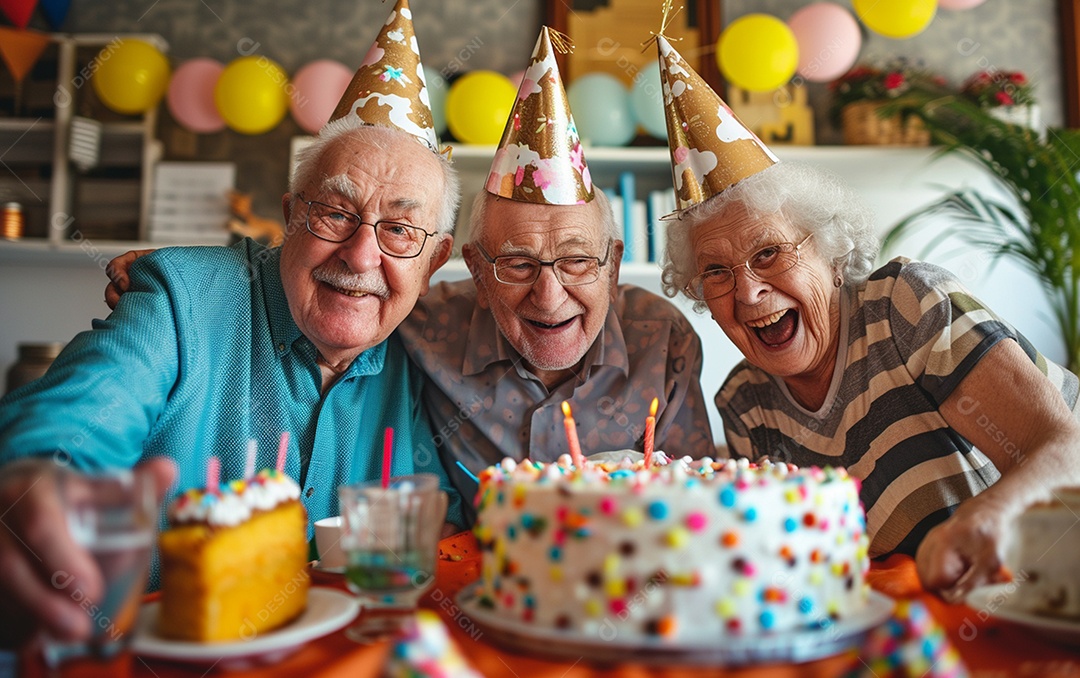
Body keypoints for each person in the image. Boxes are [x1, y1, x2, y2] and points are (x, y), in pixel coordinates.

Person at [107, 27, 716, 524]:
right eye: (516, 263)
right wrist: (181, 280)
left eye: (579, 260)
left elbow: (704, 511)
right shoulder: (417, 325)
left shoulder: (664, 342)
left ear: (612, 264)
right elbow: (70, 429)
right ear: (474, 269)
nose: (549, 293)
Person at [0, 1, 464, 648]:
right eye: (334, 213)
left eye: (401, 230)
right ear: (287, 216)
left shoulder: (431, 356)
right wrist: (38, 484)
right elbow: (80, 414)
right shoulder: (183, 297)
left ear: (437, 259)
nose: (362, 256)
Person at [652, 34, 1080, 601]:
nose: (750, 294)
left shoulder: (905, 305)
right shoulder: (745, 404)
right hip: (919, 622)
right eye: (717, 273)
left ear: (830, 254)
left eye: (769, 254)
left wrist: (984, 519)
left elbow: (1065, 447)